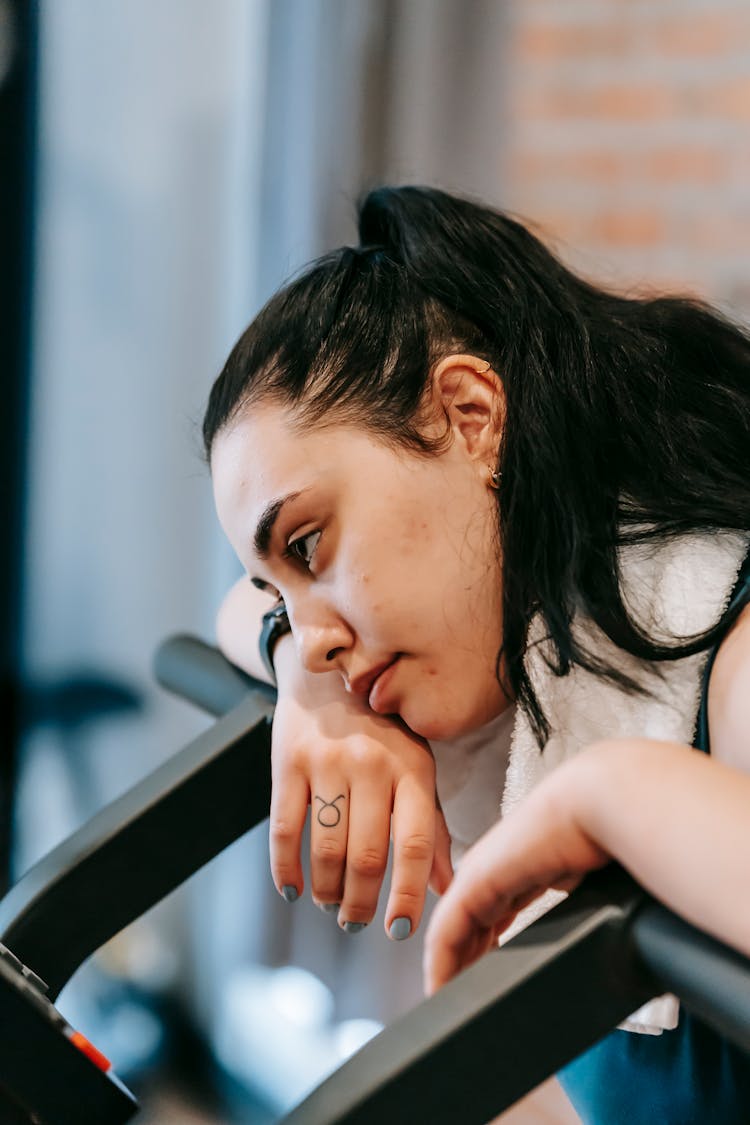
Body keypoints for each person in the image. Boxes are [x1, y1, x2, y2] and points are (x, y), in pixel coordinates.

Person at [203, 186, 750, 1123]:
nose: (320, 636)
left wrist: (613, 791)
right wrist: (303, 682)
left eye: (308, 546)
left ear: (469, 415)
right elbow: (232, 610)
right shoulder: (542, 643)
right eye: (286, 598)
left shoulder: (727, 649)